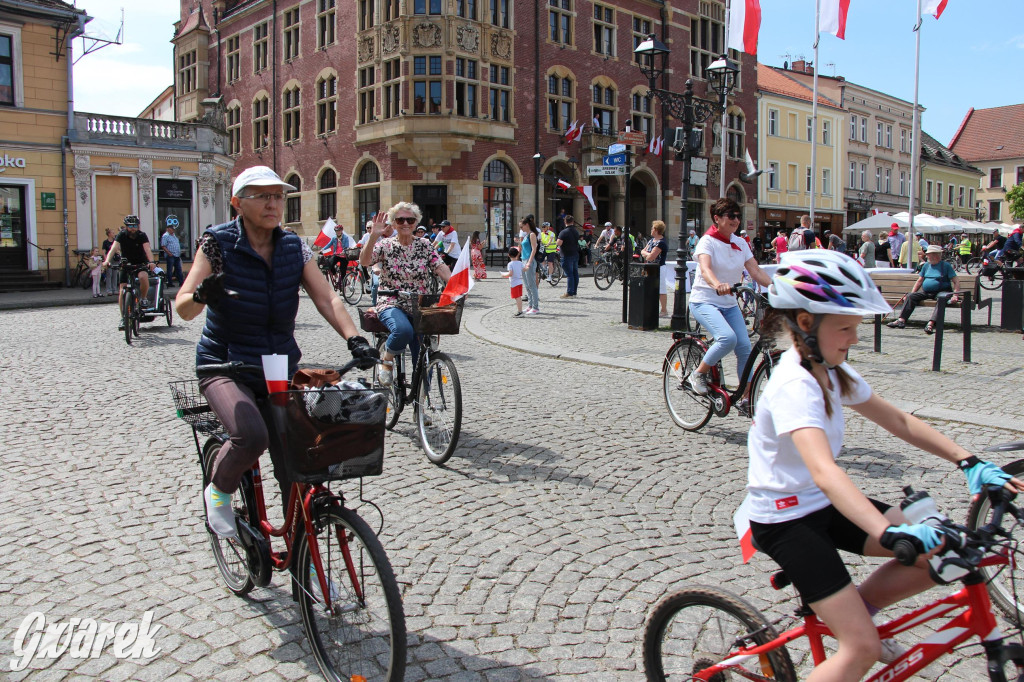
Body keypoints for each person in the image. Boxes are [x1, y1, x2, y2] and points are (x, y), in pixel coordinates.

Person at [745, 248, 1023, 681]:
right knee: (861, 649)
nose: (854, 338)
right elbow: (824, 470)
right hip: (784, 520)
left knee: (946, 549)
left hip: (821, 503)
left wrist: (969, 460)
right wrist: (887, 532)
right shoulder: (794, 385)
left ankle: (856, 609)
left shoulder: (832, 370)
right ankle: (854, 630)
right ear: (806, 323)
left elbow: (897, 420)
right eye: (845, 328)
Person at [174, 165, 378, 538]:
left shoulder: (292, 246)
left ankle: (307, 565)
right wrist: (202, 297)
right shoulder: (217, 244)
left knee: (300, 462)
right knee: (252, 436)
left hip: (278, 364)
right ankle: (218, 492)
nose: (273, 203)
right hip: (224, 363)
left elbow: (327, 297)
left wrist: (355, 338)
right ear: (238, 203)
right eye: (263, 196)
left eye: (278, 195)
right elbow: (183, 306)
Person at [687, 198, 772, 407]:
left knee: (744, 347)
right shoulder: (707, 241)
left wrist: (778, 287)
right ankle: (697, 374)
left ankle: (746, 397)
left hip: (729, 303)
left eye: (738, 216)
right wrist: (717, 284)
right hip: (704, 300)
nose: (736, 220)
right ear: (717, 218)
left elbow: (756, 270)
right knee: (727, 338)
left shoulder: (740, 242)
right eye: (730, 216)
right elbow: (705, 269)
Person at [359, 202, 451, 387]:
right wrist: (373, 236)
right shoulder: (385, 245)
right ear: (393, 223)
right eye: (400, 219)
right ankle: (387, 360)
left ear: (416, 222)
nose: (405, 223)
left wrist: (457, 286)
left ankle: (423, 404)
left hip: (419, 304)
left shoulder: (425, 245)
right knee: (403, 330)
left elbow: (440, 267)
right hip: (391, 301)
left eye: (410, 219)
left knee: (424, 359)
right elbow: (365, 260)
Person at [887, 244, 962, 334]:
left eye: (928, 254)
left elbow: (956, 281)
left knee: (941, 299)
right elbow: (919, 281)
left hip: (942, 291)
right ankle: (901, 320)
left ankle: (931, 323)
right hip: (927, 292)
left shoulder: (945, 266)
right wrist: (912, 293)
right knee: (911, 296)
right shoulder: (926, 265)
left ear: (935, 255)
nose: (926, 256)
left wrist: (955, 295)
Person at [103, 215, 156, 329]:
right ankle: (123, 317)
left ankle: (143, 298)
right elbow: (113, 248)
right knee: (122, 289)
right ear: (126, 226)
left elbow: (147, 249)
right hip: (126, 263)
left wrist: (151, 261)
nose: (133, 228)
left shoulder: (142, 235)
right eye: (130, 226)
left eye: (135, 226)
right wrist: (107, 261)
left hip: (140, 262)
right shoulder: (122, 235)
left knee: (143, 277)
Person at [641, 220, 670, 316]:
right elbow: (643, 251)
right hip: (650, 267)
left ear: (656, 230)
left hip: (659, 268)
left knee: (661, 288)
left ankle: (664, 310)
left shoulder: (661, 243)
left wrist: (646, 254)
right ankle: (652, 308)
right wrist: (647, 254)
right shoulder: (651, 241)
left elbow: (651, 257)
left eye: (652, 228)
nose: (651, 230)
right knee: (650, 287)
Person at [518, 215, 541, 315]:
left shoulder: (532, 234)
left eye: (521, 227)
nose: (521, 229)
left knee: (532, 285)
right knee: (527, 285)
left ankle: (535, 307)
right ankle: (530, 305)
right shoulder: (527, 235)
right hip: (524, 260)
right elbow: (524, 248)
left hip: (529, 261)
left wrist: (529, 262)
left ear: (526, 225)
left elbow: (534, 249)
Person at [556, 214, 580, 298]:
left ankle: (569, 292)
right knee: (575, 273)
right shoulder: (576, 231)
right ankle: (574, 292)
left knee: (569, 274)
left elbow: (559, 243)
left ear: (565, 221)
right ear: (572, 222)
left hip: (566, 255)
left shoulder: (564, 232)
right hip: (575, 254)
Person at [160, 221, 185, 288]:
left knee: (179, 269)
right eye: (172, 229)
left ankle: (181, 282)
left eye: (173, 229)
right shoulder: (165, 236)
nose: (173, 230)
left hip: (177, 255)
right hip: (171, 255)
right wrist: (169, 253)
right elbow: (163, 245)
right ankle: (170, 283)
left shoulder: (174, 236)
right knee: (170, 270)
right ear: (168, 229)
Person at [501, 246, 524, 316]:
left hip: (514, 283)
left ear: (509, 255)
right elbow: (524, 269)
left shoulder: (510, 264)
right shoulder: (520, 263)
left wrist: (504, 275)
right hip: (520, 282)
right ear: (517, 254)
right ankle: (520, 310)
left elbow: (510, 273)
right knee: (519, 297)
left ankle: (520, 311)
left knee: (517, 298)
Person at [101, 228, 118, 296]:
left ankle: (115, 289)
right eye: (113, 233)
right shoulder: (105, 242)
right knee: (109, 275)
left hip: (115, 259)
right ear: (109, 234)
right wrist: (106, 260)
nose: (114, 234)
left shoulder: (115, 241)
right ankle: (109, 290)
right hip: (109, 259)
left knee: (115, 275)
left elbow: (119, 249)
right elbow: (103, 252)